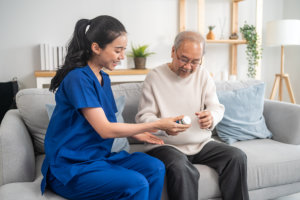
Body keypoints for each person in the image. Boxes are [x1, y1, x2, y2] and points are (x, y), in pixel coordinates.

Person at [40, 15, 190, 200]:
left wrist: (136, 134)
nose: (122, 56)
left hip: (98, 159)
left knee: (155, 167)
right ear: (96, 47)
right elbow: (105, 129)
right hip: (70, 167)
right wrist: (157, 124)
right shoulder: (77, 78)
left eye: (124, 50)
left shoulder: (104, 78)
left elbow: (109, 119)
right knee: (136, 183)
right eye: (117, 50)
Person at [136, 31, 249, 200]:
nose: (188, 66)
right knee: (181, 167)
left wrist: (211, 116)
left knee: (236, 156)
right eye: (184, 59)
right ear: (173, 51)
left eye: (195, 62)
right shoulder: (155, 77)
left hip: (201, 144)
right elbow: (143, 118)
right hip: (165, 145)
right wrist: (164, 126)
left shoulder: (203, 75)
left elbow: (216, 107)